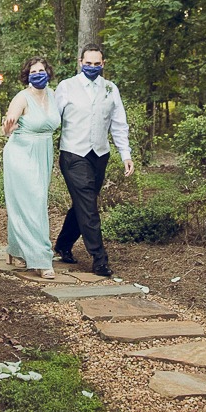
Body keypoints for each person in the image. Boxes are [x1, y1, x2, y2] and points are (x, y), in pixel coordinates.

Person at [54, 44, 133, 278]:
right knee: (88, 205)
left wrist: (125, 154)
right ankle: (99, 259)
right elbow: (52, 119)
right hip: (73, 154)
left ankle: (62, 245)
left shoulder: (110, 88)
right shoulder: (66, 87)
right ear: (80, 62)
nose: (92, 67)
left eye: (96, 64)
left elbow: (119, 124)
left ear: (103, 64)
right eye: (88, 63)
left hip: (99, 155)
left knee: (83, 203)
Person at [2, 56, 61, 280]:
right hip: (21, 153)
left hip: (43, 153)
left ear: (48, 73)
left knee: (32, 202)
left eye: (42, 70)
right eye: (34, 71)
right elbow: (7, 127)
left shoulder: (53, 95)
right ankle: (41, 259)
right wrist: (8, 127)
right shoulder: (22, 97)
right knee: (34, 204)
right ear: (27, 76)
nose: (38, 74)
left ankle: (15, 250)